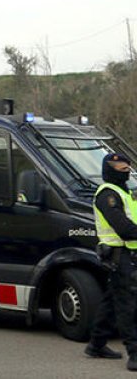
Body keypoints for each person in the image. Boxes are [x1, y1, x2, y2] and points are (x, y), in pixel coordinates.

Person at [86, 152, 137, 369]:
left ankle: (96, 344)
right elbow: (123, 228)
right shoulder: (107, 194)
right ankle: (135, 354)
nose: (125, 169)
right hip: (119, 254)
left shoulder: (127, 192)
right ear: (109, 169)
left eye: (126, 165)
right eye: (119, 166)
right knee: (128, 305)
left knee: (112, 299)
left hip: (130, 254)